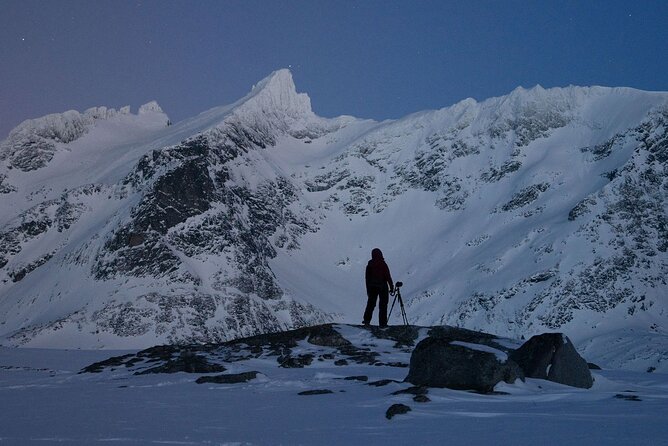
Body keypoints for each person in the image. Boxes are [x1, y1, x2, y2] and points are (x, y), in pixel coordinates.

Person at [363, 248, 394, 327]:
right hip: (383, 286)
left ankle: (367, 320)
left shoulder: (369, 265)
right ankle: (383, 323)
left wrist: (368, 291)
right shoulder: (383, 264)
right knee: (383, 305)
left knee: (371, 304)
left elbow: (367, 279)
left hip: (372, 287)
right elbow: (388, 276)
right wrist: (391, 287)